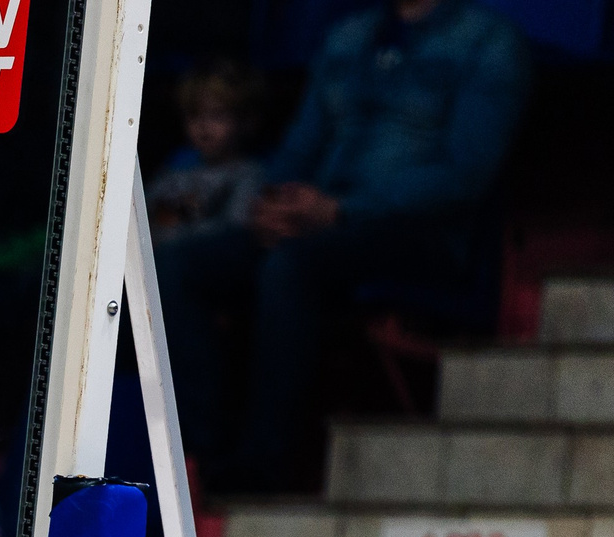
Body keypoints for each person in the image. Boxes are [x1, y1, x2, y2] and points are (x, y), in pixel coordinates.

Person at [156, 0, 528, 490]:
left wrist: (341, 209)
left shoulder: (489, 43)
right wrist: (272, 201)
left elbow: (465, 176)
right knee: (177, 265)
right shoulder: (347, 38)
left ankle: (262, 467)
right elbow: (300, 145)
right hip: (315, 220)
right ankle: (198, 456)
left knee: (290, 267)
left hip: (415, 233)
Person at [146, 61, 267, 239]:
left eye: (216, 115)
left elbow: (232, 233)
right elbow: (144, 208)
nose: (203, 126)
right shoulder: (179, 165)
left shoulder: (250, 174)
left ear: (247, 120)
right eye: (194, 115)